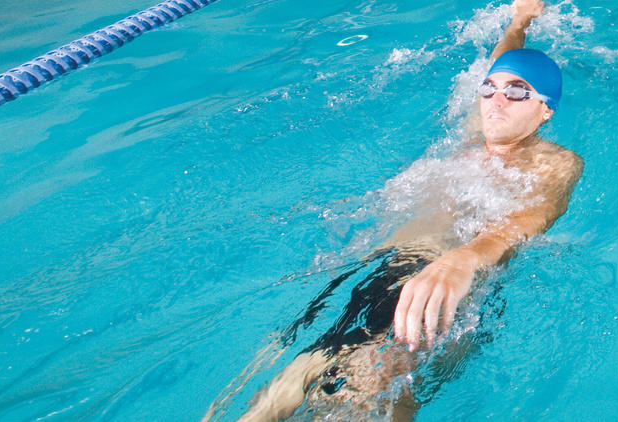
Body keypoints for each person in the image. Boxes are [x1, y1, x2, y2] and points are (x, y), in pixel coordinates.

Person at [212, 0, 583, 420]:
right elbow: (502, 61)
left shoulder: (553, 161)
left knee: (375, 384)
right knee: (289, 384)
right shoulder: (473, 135)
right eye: (489, 89)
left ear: (545, 109)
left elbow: (533, 217)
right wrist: (521, 18)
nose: (497, 99)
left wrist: (465, 257)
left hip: (438, 278)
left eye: (517, 91)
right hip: (379, 266)